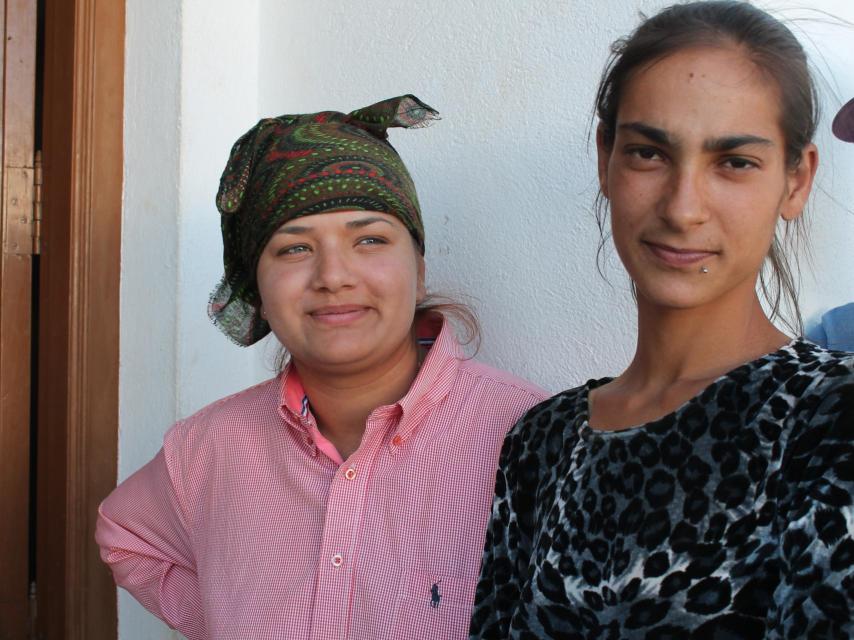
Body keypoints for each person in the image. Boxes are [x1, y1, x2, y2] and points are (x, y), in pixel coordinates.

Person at [96, 95, 545, 640]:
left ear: (419, 271)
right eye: (294, 249)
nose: (333, 275)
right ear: (258, 292)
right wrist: (224, 618)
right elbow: (127, 538)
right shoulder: (208, 446)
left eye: (369, 240)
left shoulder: (533, 437)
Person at [470, 3, 854, 638]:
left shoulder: (829, 417)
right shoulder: (541, 441)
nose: (682, 207)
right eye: (649, 153)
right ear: (606, 158)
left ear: (796, 181)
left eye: (734, 162)